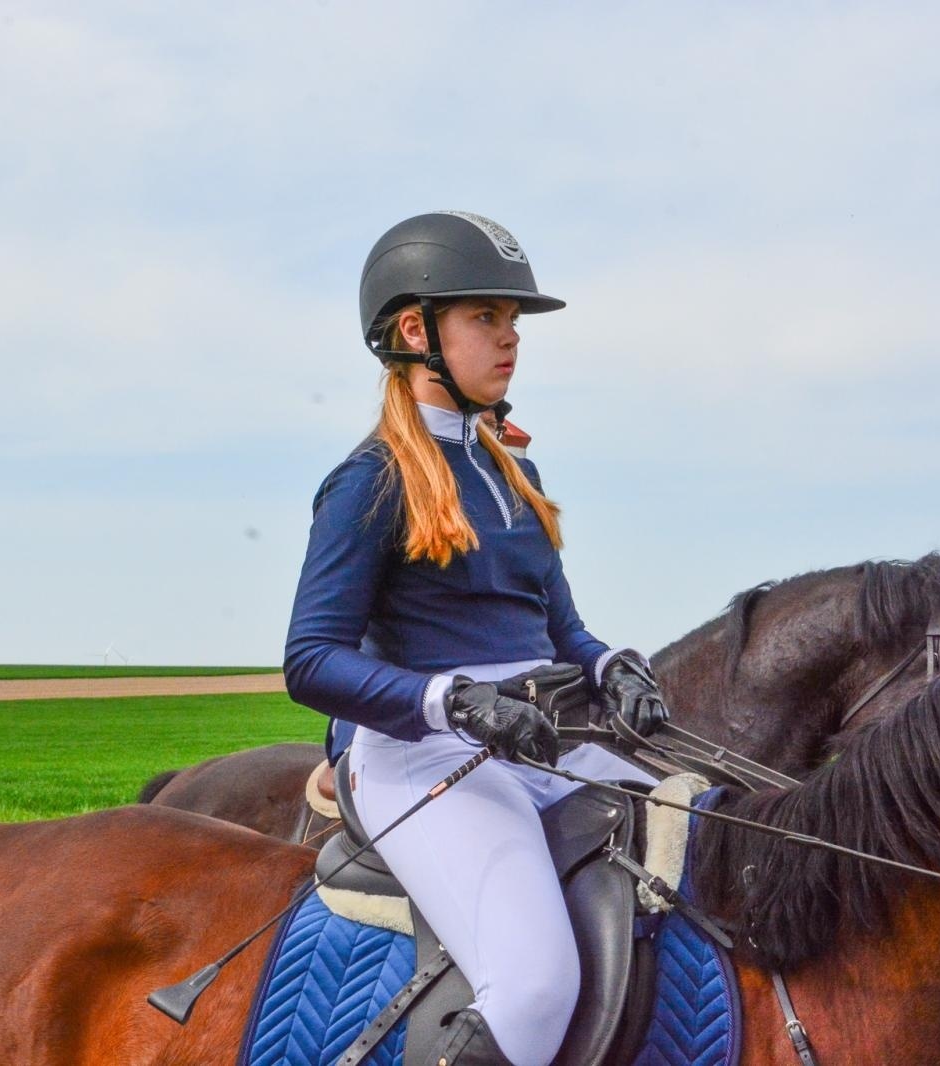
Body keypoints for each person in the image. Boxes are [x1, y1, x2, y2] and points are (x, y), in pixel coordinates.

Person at [283, 211, 670, 1066]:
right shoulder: (369, 481)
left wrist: (614, 666)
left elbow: (560, 626)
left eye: (513, 322)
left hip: (539, 745)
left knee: (715, 848)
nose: (510, 340)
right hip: (426, 760)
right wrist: (450, 700)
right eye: (485, 318)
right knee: (534, 987)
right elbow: (310, 661)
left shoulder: (513, 471)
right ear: (417, 332)